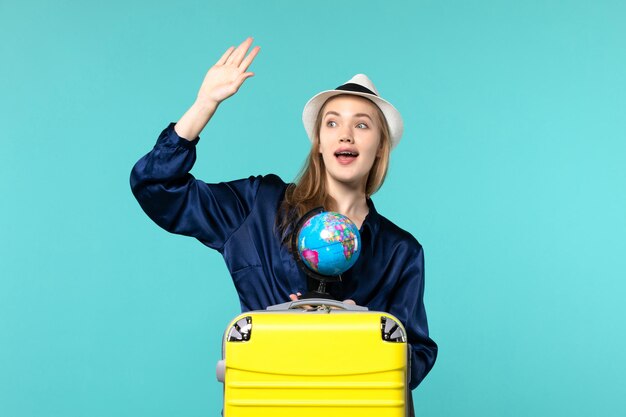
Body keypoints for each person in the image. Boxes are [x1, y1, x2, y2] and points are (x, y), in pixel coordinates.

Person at [130, 37, 437, 412]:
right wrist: (204, 105)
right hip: (266, 404)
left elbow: (417, 355)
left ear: (379, 147)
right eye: (332, 123)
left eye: (362, 125)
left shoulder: (401, 251)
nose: (346, 134)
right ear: (319, 143)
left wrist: (364, 332)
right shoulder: (259, 205)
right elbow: (157, 188)